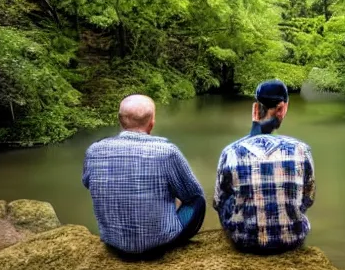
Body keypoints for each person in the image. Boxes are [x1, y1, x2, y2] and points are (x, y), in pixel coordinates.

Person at [82, 94, 205, 254]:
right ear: (152, 123)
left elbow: (87, 183)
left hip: (113, 244)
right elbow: (193, 195)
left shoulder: (94, 150)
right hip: (158, 245)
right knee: (197, 199)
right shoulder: (167, 151)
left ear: (120, 120)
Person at [213, 80, 315, 251]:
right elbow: (308, 199)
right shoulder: (301, 150)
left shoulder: (231, 152)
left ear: (256, 109)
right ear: (281, 108)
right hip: (292, 241)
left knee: (229, 191)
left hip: (244, 241)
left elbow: (218, 201)